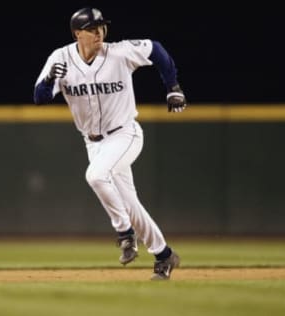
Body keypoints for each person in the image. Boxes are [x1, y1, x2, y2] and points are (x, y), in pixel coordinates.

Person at [33, 7, 186, 280]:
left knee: (95, 175)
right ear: (77, 33)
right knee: (130, 204)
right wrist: (48, 79)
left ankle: (125, 234)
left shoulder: (119, 52)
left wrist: (173, 87)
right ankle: (164, 255)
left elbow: (156, 49)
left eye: (102, 27)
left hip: (125, 134)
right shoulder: (60, 58)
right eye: (92, 29)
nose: (99, 33)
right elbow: (40, 97)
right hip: (93, 143)